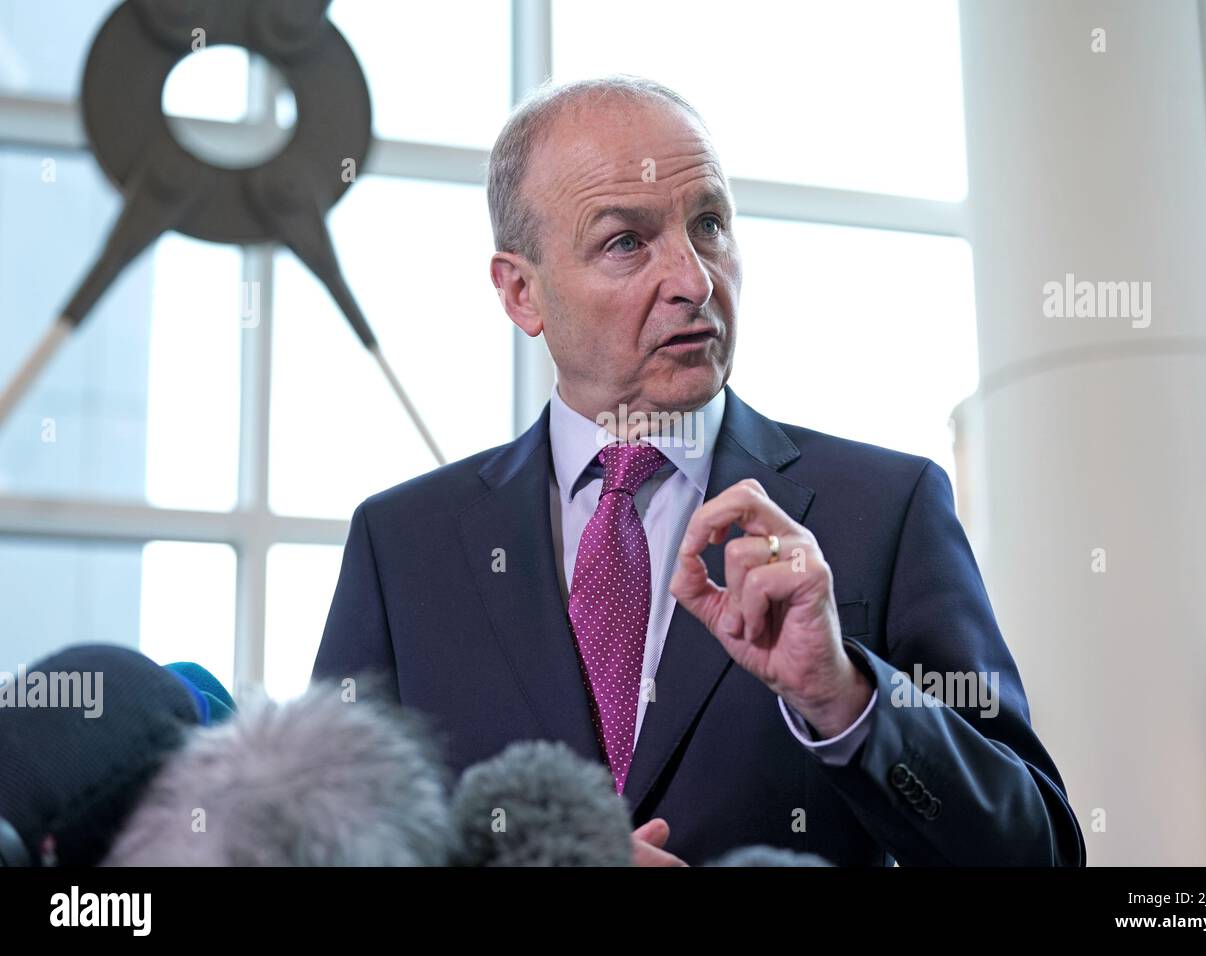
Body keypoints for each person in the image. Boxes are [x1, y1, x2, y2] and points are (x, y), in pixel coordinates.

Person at [313, 75, 1085, 867]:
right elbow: (307, 848)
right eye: (625, 242)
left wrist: (844, 697)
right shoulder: (402, 544)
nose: (693, 279)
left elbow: (1039, 853)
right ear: (521, 292)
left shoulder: (886, 510)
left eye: (709, 224)